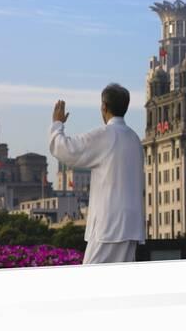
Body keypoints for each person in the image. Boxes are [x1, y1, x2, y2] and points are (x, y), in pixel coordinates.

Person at [48, 83, 145, 264]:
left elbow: (64, 149)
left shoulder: (105, 135)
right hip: (131, 226)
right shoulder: (135, 139)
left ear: (104, 107)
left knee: (90, 283)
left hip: (109, 225)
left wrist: (57, 124)